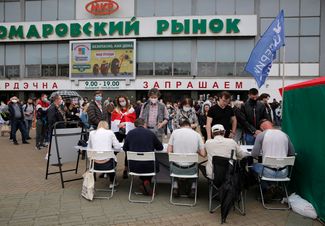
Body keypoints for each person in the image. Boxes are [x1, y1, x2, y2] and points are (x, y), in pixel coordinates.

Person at [251, 120, 295, 197]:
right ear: (272, 125)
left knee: (253, 166)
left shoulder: (261, 135)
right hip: (284, 173)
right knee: (267, 167)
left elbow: (254, 154)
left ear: (261, 128)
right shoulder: (285, 135)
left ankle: (267, 188)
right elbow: (292, 153)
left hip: (268, 173)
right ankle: (275, 187)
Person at [123, 118, 163, 195]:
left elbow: (125, 148)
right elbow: (160, 148)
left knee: (141, 164)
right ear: (145, 124)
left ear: (135, 126)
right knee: (149, 164)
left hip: (133, 166)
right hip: (150, 166)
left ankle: (143, 181)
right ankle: (146, 181)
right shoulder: (150, 133)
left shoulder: (130, 133)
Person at [167, 119, 206, 197]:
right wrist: (196, 150)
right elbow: (203, 154)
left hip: (176, 168)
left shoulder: (174, 133)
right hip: (191, 169)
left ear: (180, 126)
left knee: (172, 162)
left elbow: (169, 151)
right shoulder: (197, 134)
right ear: (190, 125)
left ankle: (175, 185)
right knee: (195, 164)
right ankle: (193, 187)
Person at [88, 120, 121, 189]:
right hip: (108, 164)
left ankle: (105, 176)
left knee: (108, 157)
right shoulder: (110, 132)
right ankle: (112, 181)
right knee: (112, 159)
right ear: (107, 126)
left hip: (95, 164)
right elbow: (117, 147)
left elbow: (89, 147)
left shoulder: (92, 133)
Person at [111, 95, 136, 179]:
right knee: (114, 149)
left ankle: (126, 169)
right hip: (118, 131)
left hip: (128, 132)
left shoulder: (131, 110)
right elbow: (113, 120)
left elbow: (133, 120)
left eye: (123, 100)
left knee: (127, 150)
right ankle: (109, 167)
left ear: (126, 100)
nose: (122, 102)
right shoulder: (116, 110)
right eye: (120, 101)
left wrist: (125, 123)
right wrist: (119, 124)